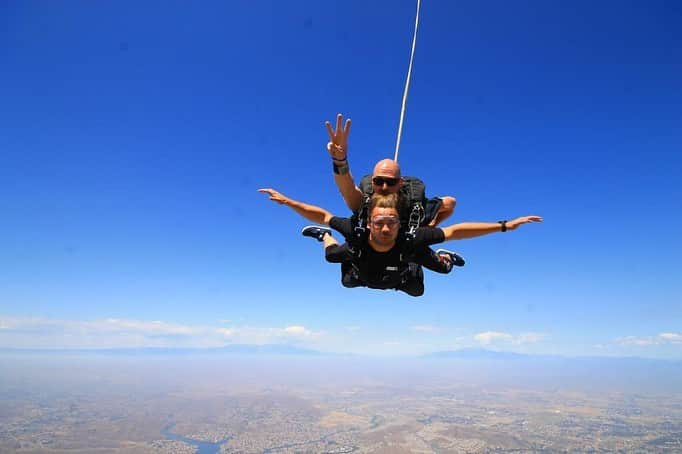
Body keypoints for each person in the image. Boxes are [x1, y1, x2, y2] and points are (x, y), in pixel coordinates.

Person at [259, 188, 542, 296]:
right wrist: (289, 202)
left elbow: (457, 231)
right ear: (369, 222)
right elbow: (322, 214)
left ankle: (443, 258)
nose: (385, 227)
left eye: (392, 221)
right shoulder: (356, 232)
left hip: (402, 272)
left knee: (429, 281)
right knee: (334, 259)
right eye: (379, 221)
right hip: (361, 269)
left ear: (400, 223)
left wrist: (505, 226)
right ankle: (324, 238)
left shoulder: (411, 239)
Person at [325, 113, 456, 228]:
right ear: (372, 181)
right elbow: (347, 188)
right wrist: (339, 160)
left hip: (405, 247)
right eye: (378, 181)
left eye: (391, 182)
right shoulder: (364, 202)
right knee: (334, 253)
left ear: (401, 183)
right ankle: (324, 235)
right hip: (369, 248)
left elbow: (450, 203)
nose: (384, 187)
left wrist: (430, 226)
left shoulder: (412, 203)